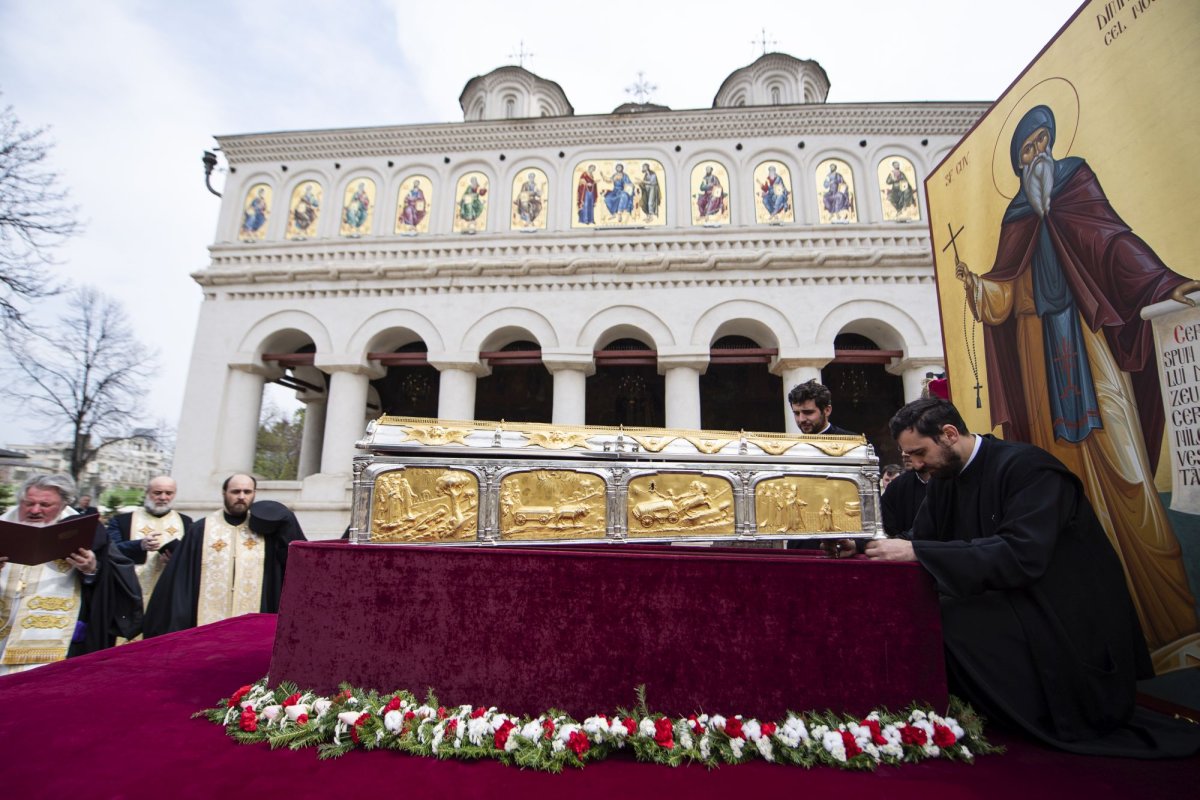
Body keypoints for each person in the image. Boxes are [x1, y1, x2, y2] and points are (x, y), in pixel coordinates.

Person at [954, 104, 1200, 664]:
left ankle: (1173, 624)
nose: (1036, 155)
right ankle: (1094, 631)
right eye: (1026, 150)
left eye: (1041, 143)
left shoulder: (1076, 185)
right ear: (1017, 163)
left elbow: (1115, 243)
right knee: (1058, 484)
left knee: (1128, 471)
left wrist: (1166, 282)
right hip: (1038, 358)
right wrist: (980, 289)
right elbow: (1007, 293)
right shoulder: (1018, 215)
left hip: (1089, 346)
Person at [866, 397, 1200, 756]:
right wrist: (873, 546)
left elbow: (1021, 554)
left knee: (948, 619)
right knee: (918, 608)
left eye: (919, 453)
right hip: (1011, 601)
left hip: (1059, 617)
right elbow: (924, 538)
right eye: (909, 458)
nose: (916, 465)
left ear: (949, 434)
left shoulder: (1030, 470)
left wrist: (917, 552)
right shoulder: (946, 477)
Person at [0, 474, 140, 674]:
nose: (35, 510)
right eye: (28, 503)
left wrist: (92, 569)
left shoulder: (84, 530)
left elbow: (111, 582)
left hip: (53, 643)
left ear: (63, 504)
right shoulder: (3, 524)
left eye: (45, 505)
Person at [143, 476, 306, 636]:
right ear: (224, 493)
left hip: (253, 627)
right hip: (205, 627)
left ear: (254, 493)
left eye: (247, 492)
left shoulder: (266, 531)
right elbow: (180, 582)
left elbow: (293, 565)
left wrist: (287, 521)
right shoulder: (201, 530)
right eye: (235, 491)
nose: (241, 497)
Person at [105, 476, 194, 621]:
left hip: (167, 596)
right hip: (129, 595)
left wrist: (175, 560)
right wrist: (139, 545)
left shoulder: (186, 522)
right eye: (157, 493)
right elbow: (109, 551)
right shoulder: (122, 521)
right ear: (147, 493)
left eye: (169, 493)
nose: (163, 497)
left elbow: (192, 558)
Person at [880, 455, 928, 538]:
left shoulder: (949, 482)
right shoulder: (896, 486)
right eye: (901, 448)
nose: (904, 453)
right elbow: (884, 526)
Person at [787, 379, 856, 435]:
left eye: (808, 412)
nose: (801, 419)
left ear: (827, 410)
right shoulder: (794, 447)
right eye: (796, 413)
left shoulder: (854, 443)